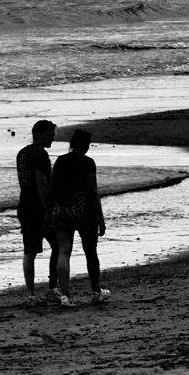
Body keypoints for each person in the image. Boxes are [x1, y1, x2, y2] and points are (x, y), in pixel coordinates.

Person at [47, 128, 110, 308]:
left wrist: (51, 211)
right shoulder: (88, 163)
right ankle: (96, 291)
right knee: (90, 251)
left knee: (64, 251)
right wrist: (100, 217)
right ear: (86, 146)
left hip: (62, 210)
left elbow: (52, 188)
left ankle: (65, 295)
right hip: (84, 210)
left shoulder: (60, 161)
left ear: (72, 144)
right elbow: (93, 190)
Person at [15, 119, 57, 302]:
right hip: (38, 207)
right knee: (58, 246)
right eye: (50, 134)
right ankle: (52, 288)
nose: (52, 138)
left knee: (29, 251)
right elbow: (42, 183)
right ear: (39, 134)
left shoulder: (22, 153)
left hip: (24, 205)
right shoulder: (40, 154)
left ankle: (31, 293)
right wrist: (49, 209)